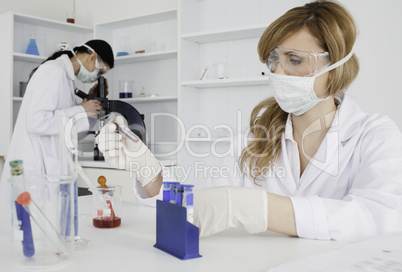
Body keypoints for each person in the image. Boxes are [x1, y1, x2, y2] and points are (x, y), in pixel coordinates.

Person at [97, 0, 402, 242]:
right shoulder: (253, 140)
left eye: (294, 60)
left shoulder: (374, 135)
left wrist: (258, 208)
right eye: (274, 61)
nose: (278, 73)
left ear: (334, 67)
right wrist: (147, 169)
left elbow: (378, 217)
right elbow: (200, 208)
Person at [0, 39, 114, 205]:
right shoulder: (52, 71)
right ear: (92, 57)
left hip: (49, 171)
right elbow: (37, 121)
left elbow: (68, 130)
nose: (97, 77)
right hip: (35, 170)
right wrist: (81, 110)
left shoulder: (66, 78)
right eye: (99, 72)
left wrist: (91, 108)